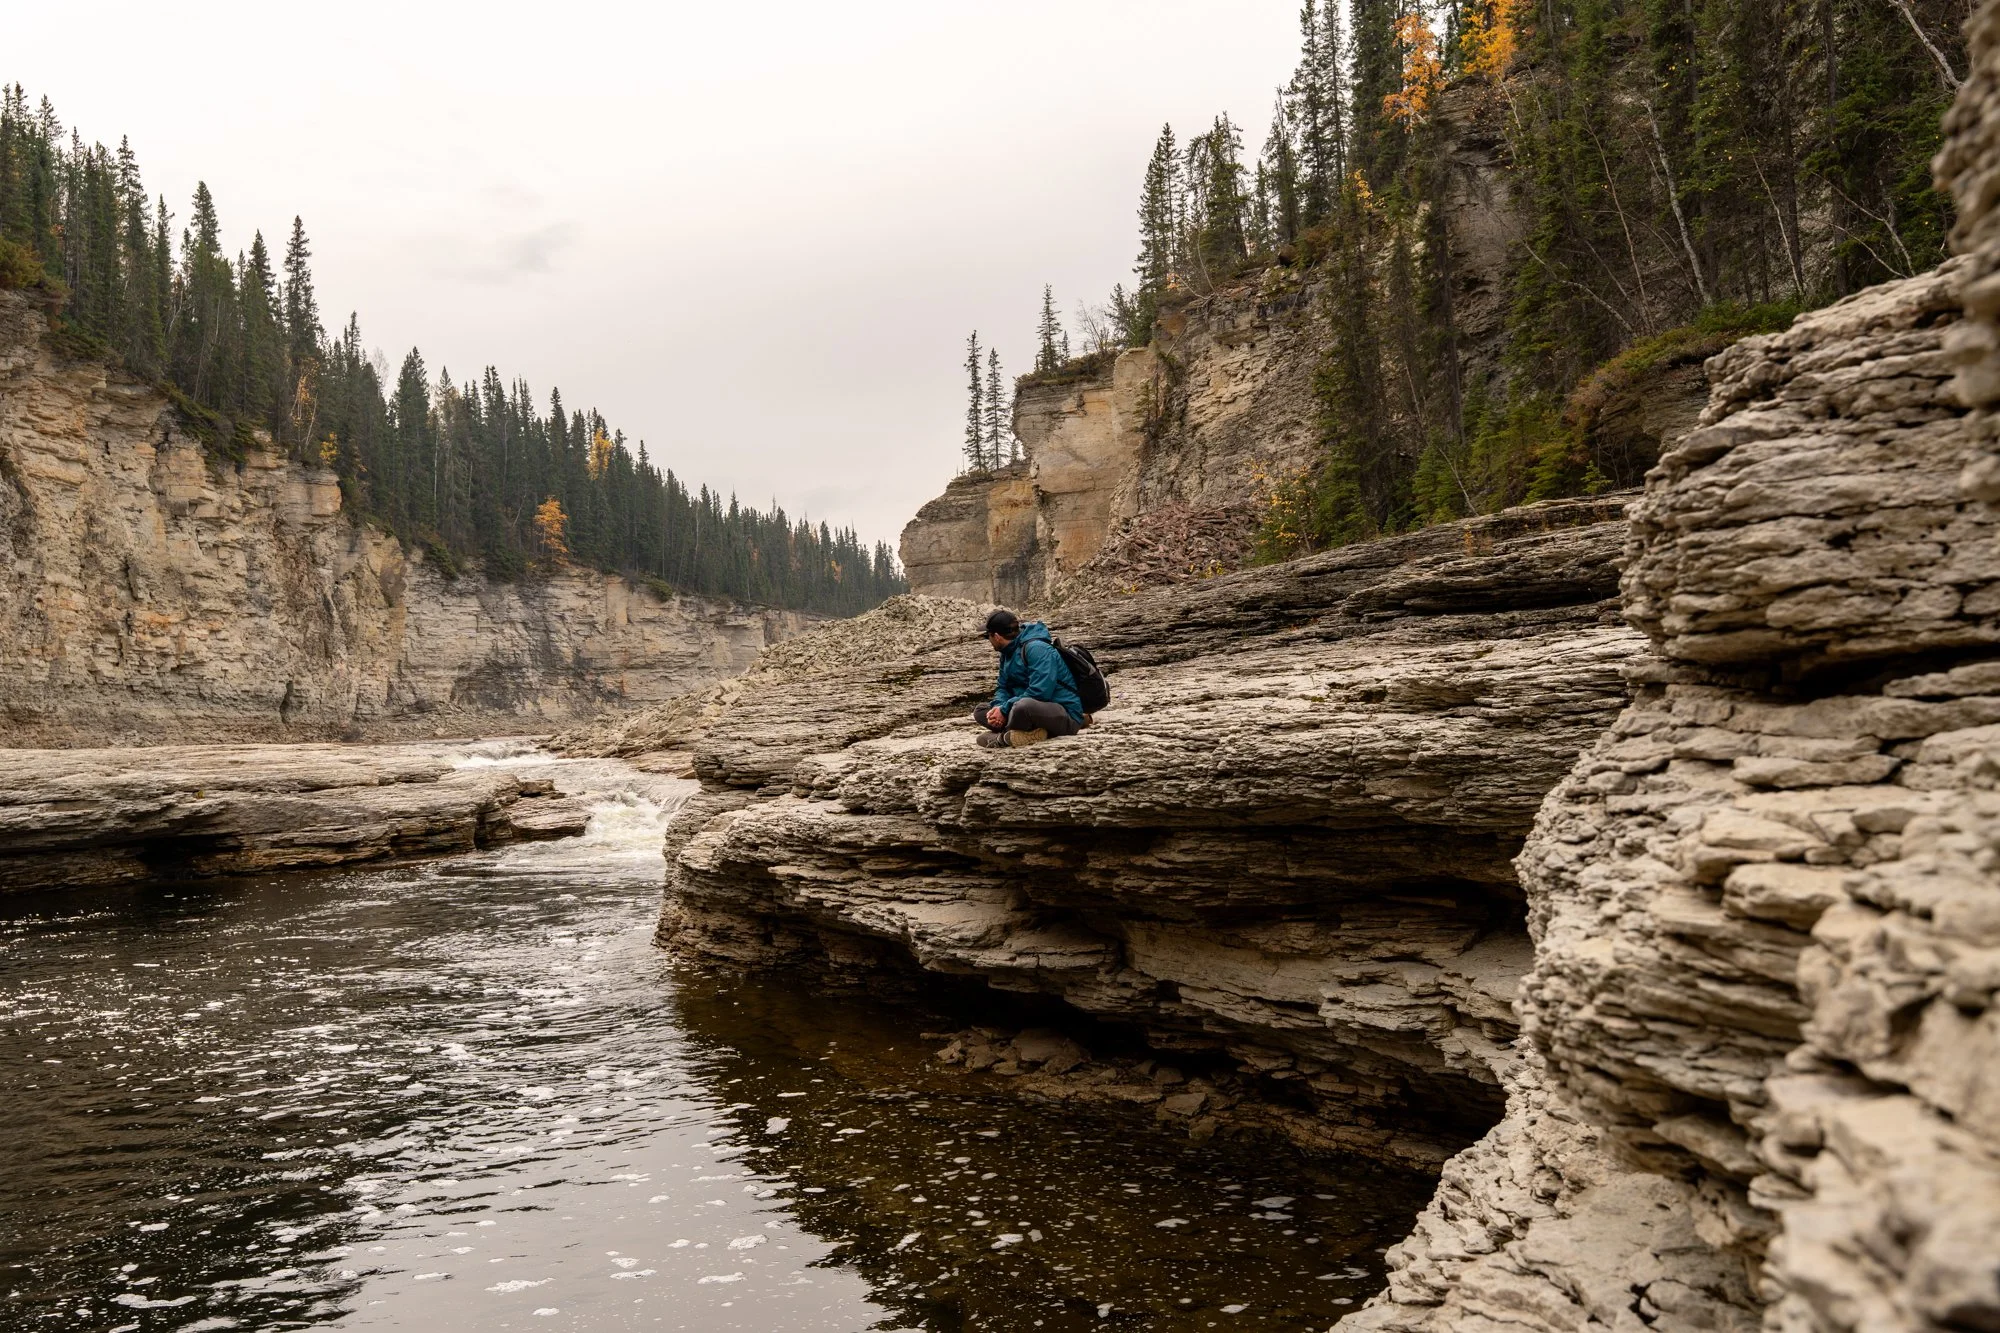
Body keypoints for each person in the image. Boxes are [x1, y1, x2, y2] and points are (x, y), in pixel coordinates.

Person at [973, 607, 1085, 749]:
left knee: (1022, 707)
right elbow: (1003, 687)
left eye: (987, 636)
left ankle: (1004, 737)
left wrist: (1005, 710)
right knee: (981, 711)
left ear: (996, 636)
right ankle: (1022, 734)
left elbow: (1040, 692)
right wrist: (998, 707)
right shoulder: (1007, 653)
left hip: (1062, 713)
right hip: (1024, 711)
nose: (988, 640)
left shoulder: (1037, 649)